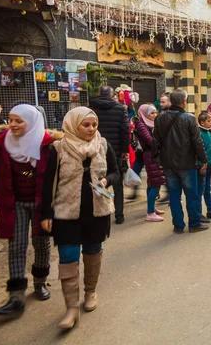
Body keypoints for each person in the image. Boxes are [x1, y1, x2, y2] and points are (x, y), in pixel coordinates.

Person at [40, 107, 119, 329]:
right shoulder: (58, 148)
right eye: (86, 125)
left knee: (93, 251)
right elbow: (48, 183)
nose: (91, 129)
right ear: (74, 124)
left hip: (96, 212)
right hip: (66, 213)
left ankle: (91, 292)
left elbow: (116, 172)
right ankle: (71, 307)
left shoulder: (103, 145)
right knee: (68, 257)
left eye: (94, 125)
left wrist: (106, 181)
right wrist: (46, 213)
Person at [0, 105, 54, 316]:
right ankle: (16, 296)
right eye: (10, 119)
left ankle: (40, 282)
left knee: (41, 244)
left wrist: (51, 207)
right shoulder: (3, 143)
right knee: (16, 245)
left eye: (19, 120)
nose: (13, 124)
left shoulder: (47, 144)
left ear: (32, 122)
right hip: (14, 204)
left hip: (40, 204)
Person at [153, 89, 209, 234]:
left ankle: (178, 226)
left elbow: (156, 141)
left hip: (168, 164)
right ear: (184, 101)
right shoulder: (189, 118)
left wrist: (156, 159)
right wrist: (204, 160)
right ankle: (194, 224)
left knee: (174, 196)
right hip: (187, 163)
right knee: (191, 194)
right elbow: (198, 142)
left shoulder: (160, 118)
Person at [89, 86, 129, 225]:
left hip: (96, 150)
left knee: (98, 180)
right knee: (117, 182)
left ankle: (100, 211)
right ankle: (119, 215)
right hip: (116, 151)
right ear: (112, 95)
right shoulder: (120, 109)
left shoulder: (91, 108)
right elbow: (125, 131)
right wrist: (125, 151)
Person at [134, 104, 166, 222]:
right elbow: (150, 141)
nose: (155, 115)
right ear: (145, 114)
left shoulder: (151, 124)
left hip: (155, 155)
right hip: (151, 156)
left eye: (155, 113)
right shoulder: (142, 125)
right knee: (155, 183)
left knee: (151, 183)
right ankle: (150, 213)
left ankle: (151, 208)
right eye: (152, 113)